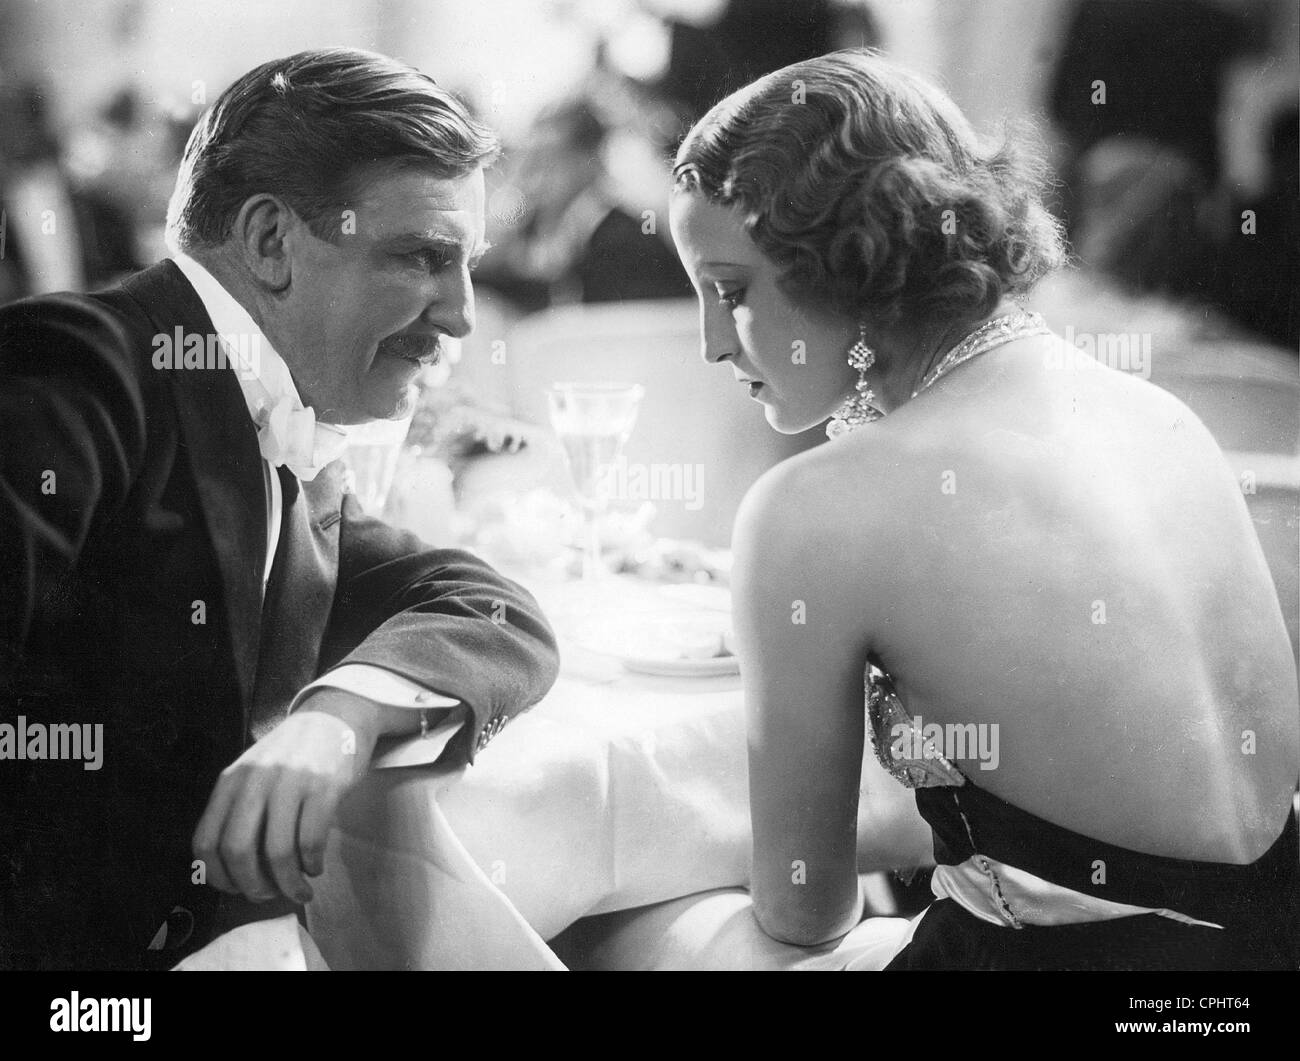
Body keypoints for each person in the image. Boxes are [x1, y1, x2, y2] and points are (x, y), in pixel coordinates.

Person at [668, 49, 1299, 970]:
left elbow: (803, 909)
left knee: (654, 934)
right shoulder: (1159, 414)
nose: (710, 343)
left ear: (848, 258)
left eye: (730, 291)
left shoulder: (811, 509)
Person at [0, 48, 559, 970]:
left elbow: (492, 607)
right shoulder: (82, 367)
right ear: (270, 243)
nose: (463, 313)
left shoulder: (291, 442)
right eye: (424, 256)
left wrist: (338, 714)